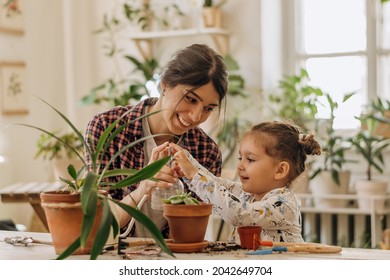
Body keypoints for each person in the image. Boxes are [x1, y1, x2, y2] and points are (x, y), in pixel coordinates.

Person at [84, 44, 228, 237]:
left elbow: (189, 237)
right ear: (165, 84)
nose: (195, 117)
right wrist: (143, 187)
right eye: (191, 99)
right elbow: (95, 226)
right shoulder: (107, 128)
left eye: (208, 108)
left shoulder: (206, 151)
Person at [168, 121, 322, 243]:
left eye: (250, 159)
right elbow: (219, 185)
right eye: (240, 158)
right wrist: (188, 162)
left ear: (280, 170)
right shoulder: (249, 195)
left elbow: (238, 213)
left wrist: (195, 175)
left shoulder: (284, 203)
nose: (240, 166)